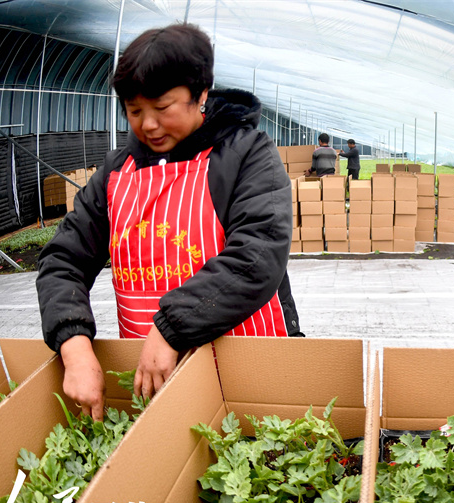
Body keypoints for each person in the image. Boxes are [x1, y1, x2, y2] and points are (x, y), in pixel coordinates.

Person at [36, 24, 301, 421]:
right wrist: (73, 346)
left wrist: (170, 327)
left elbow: (257, 255)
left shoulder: (245, 154)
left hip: (253, 369)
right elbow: (62, 262)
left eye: (162, 108)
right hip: (158, 379)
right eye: (134, 110)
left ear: (201, 95)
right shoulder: (116, 171)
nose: (148, 125)